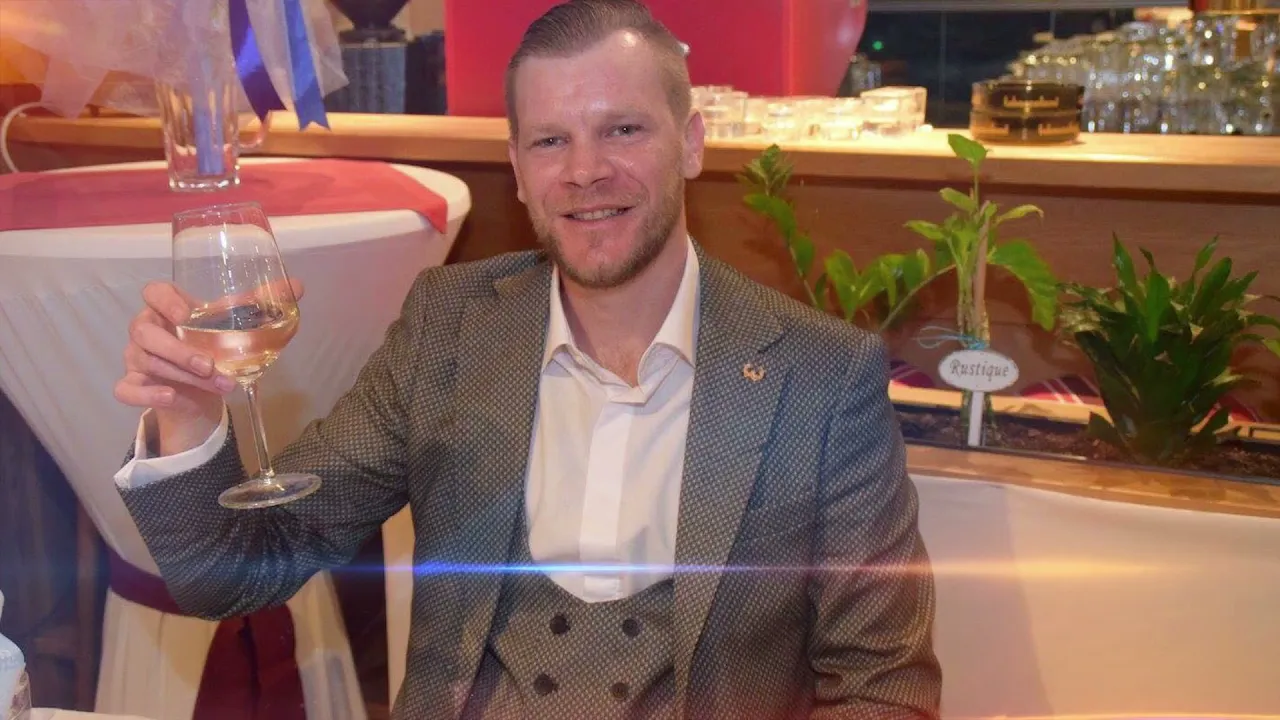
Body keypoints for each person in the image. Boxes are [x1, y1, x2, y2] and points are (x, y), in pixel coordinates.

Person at [112, 0, 943, 717]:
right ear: (516, 168)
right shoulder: (448, 328)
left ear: (690, 143)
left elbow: (884, 686)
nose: (585, 171)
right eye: (550, 141)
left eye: (622, 129)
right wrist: (189, 419)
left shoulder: (823, 377)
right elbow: (232, 573)